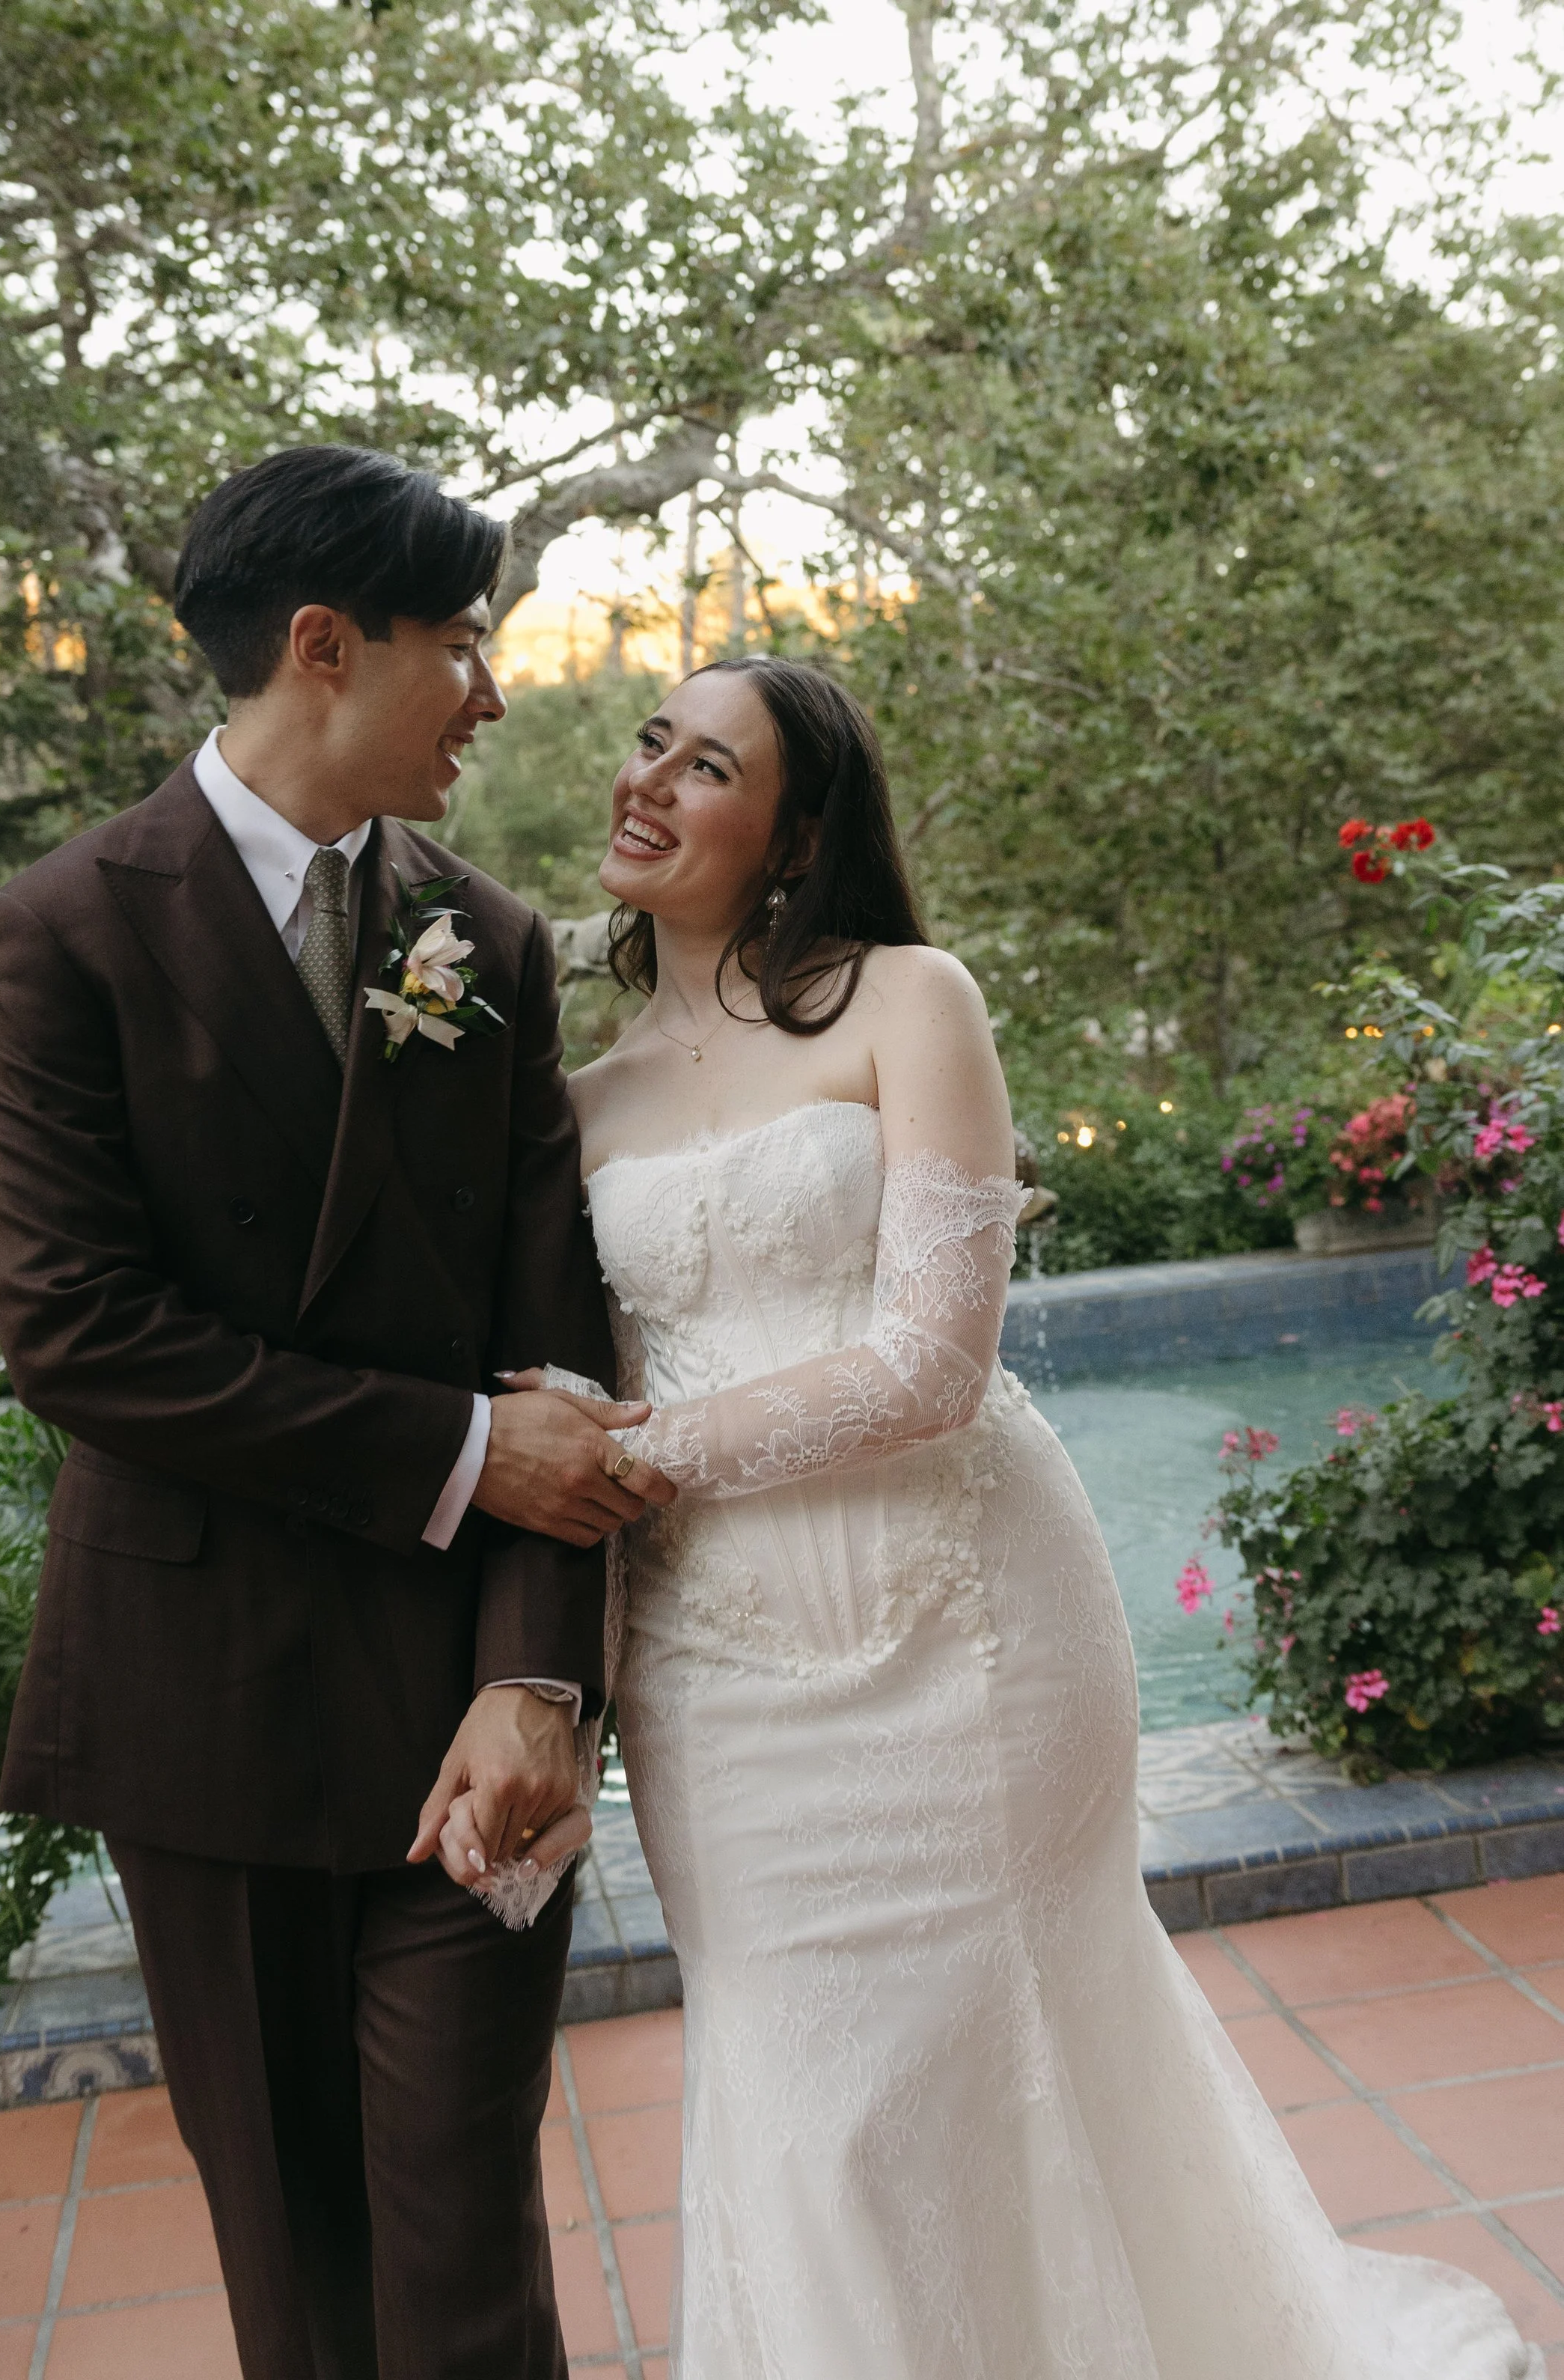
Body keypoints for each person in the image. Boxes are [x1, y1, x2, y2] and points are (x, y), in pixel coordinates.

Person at [443, 654, 1539, 2377]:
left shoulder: (906, 1001)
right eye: (649, 742)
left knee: (1008, 2032)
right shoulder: (569, 1111)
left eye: (706, 764)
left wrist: (630, 1460)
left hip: (971, 1635)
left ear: (794, 832)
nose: (646, 780)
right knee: (811, 2095)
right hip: (719, 1676)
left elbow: (930, 1364)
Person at [0, 443, 673, 2380]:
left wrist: (544, 1681)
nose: (497, 693)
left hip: (473, 1708)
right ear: (322, 645)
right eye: (464, 643)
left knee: (462, 2236)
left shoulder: (488, 944)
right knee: (293, 2246)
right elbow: (78, 1332)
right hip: (205, 1701)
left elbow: (555, 1345)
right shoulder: (63, 930)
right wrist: (452, 1449)